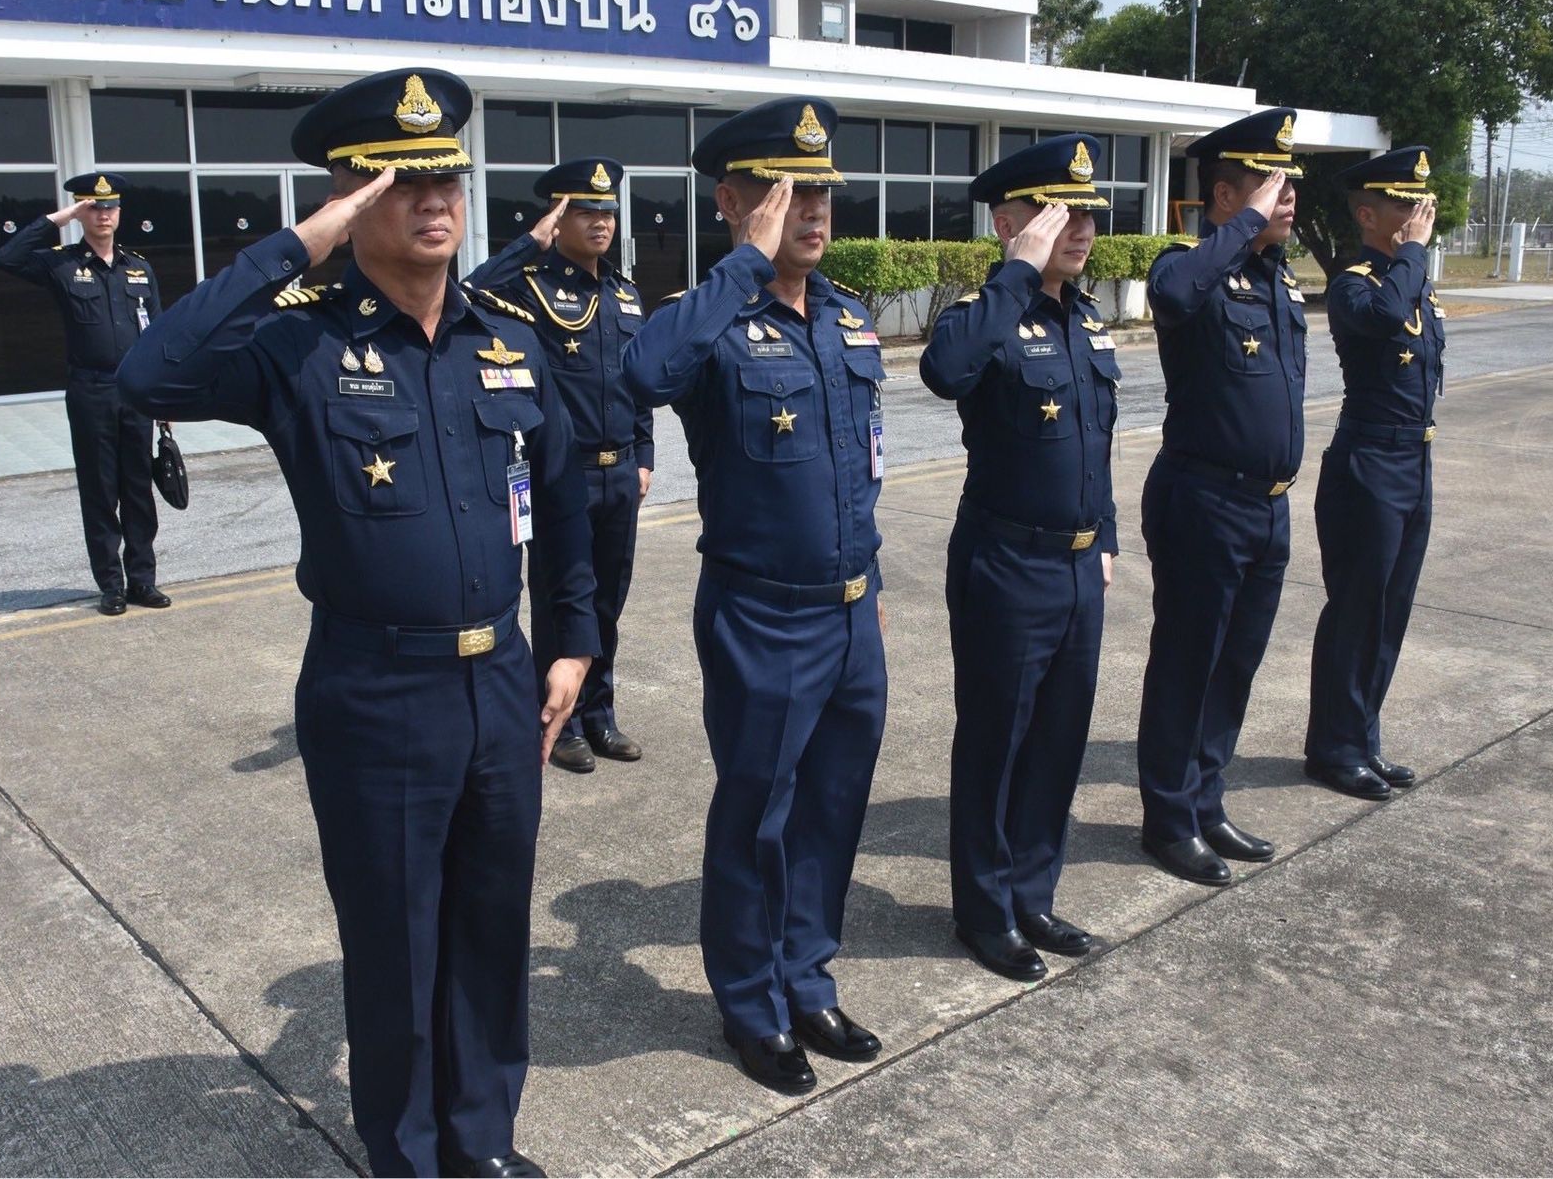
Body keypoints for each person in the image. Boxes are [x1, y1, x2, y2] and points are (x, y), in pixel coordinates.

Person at [116, 67, 594, 1179]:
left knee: (490, 934)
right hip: (376, 694)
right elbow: (147, 374)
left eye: (448, 181)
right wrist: (299, 246)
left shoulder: (507, 341)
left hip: (502, 684)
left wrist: (573, 640)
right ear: (349, 197)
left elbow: (567, 497)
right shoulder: (299, 345)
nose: (434, 202)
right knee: (396, 948)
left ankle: (481, 1143)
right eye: (401, 183)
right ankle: (409, 1158)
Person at [623, 97, 888, 1092]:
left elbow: (861, 469)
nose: (809, 211)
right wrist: (745, 262)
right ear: (731, 201)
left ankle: (806, 979)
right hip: (763, 615)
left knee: (832, 810)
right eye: (783, 193)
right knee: (757, 815)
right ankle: (751, 1004)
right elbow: (645, 371)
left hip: (852, 611)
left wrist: (868, 585)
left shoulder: (849, 319)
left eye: (819, 192)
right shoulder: (713, 321)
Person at [921, 134, 1120, 982]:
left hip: (1078, 567)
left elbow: (1094, 444)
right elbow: (945, 371)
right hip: (1006, 564)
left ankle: (1032, 893)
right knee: (996, 743)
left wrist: (1105, 538)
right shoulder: (983, 314)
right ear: (1010, 224)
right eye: (1058, 214)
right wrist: (1017, 272)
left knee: (1058, 741)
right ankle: (984, 910)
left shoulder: (1086, 318)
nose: (1081, 228)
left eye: (1087, 213)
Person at [1135, 107, 1305, 888]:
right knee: (1188, 663)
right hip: (1205, 499)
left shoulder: (1277, 279)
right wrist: (1243, 228)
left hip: (1268, 506)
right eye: (1269, 185)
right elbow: (1171, 295)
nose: (1287, 197)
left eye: (1289, 185)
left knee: (1235, 665)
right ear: (1226, 198)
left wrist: (1256, 233)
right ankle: (1169, 819)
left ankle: (1206, 800)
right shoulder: (1191, 266)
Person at [465, 158, 654, 774]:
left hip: (620, 472)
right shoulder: (530, 286)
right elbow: (468, 294)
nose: (601, 223)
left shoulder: (624, 293)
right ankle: (558, 720)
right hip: (559, 475)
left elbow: (637, 383)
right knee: (558, 599)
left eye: (608, 212)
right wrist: (531, 243)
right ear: (557, 217)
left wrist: (645, 454)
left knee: (607, 601)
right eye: (585, 211)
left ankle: (598, 713)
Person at [1303, 147, 1442, 800]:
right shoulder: (1353, 282)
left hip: (1415, 460)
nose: (1419, 213)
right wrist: (1413, 253)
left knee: (1391, 612)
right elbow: (1383, 319)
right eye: (1404, 204)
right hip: (1369, 463)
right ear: (1367, 214)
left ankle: (1362, 739)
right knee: (1357, 612)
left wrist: (1411, 259)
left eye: (1420, 203)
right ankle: (1333, 749)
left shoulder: (1411, 279)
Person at [0, 172, 170, 615]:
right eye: (93, 207)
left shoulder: (138, 267)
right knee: (100, 489)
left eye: (110, 206)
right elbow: (8, 257)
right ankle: (111, 585)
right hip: (91, 390)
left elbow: (157, 333)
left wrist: (163, 394)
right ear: (80, 211)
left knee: (138, 488)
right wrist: (58, 218)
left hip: (136, 390)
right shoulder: (61, 264)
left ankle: (143, 580)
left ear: (120, 211)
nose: (103, 214)